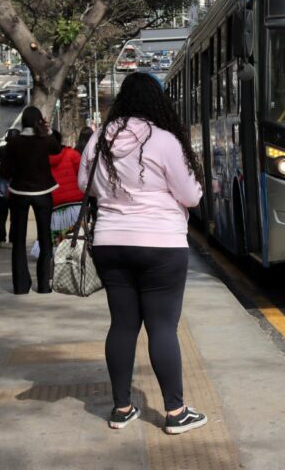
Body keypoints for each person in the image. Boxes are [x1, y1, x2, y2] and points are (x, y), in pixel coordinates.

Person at [78, 72, 206, 435]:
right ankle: (176, 413)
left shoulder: (98, 140)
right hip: (160, 243)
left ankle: (121, 408)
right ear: (155, 102)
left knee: (122, 325)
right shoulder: (164, 140)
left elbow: (81, 185)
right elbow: (191, 196)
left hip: (110, 243)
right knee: (162, 326)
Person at [0, 106, 61, 294]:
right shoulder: (44, 140)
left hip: (19, 194)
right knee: (45, 240)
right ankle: (44, 285)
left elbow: (5, 171)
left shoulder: (14, 142)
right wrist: (48, 130)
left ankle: (20, 286)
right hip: (43, 192)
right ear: (38, 121)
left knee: (18, 240)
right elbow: (57, 149)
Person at [0, 128, 20, 249]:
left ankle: (1, 240)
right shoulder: (20, 153)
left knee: (2, 217)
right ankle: (12, 240)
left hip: (0, 190)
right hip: (15, 190)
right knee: (15, 217)